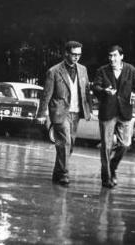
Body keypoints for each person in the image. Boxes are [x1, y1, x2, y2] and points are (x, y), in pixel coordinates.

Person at [37, 41, 92, 186]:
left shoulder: (83, 70)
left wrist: (89, 109)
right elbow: (46, 94)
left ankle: (57, 172)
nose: (76, 57)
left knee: (70, 145)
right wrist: (42, 113)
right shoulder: (54, 71)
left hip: (76, 112)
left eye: (79, 54)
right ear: (66, 53)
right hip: (60, 112)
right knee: (65, 142)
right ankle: (64, 175)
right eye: (74, 54)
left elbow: (86, 91)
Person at [93, 45, 135, 188]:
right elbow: (95, 87)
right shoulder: (102, 71)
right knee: (106, 147)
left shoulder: (131, 70)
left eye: (115, 55)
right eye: (110, 56)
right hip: (107, 113)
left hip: (125, 113)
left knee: (125, 144)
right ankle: (106, 179)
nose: (112, 59)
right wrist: (104, 90)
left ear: (122, 56)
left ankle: (113, 166)